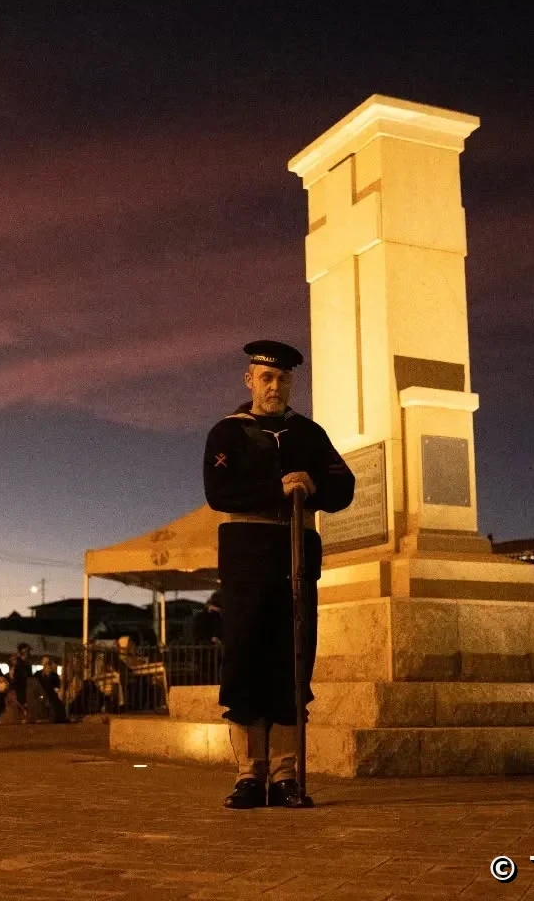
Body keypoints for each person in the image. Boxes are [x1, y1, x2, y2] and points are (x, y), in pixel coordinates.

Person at [204, 340, 355, 809]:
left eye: (284, 378)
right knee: (246, 659)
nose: (275, 386)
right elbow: (219, 492)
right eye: (266, 377)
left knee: (292, 662)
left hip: (295, 553)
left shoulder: (309, 434)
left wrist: (313, 485)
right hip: (248, 555)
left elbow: (343, 486)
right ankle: (250, 774)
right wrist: (277, 487)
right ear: (249, 380)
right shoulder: (227, 433)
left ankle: (287, 775)